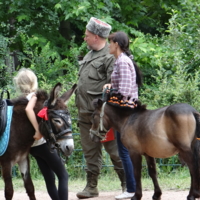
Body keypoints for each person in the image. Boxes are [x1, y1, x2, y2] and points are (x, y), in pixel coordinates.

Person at [75, 17, 126, 199]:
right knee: (89, 151)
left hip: (103, 116)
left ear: (96, 37)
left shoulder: (110, 56)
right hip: (84, 114)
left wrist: (107, 113)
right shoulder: (89, 56)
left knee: (115, 151)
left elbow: (113, 86)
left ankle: (126, 184)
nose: (84, 38)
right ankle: (91, 187)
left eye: (87, 35)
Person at [13, 68, 69, 200]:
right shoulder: (34, 97)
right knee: (63, 175)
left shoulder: (20, 100)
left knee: (49, 179)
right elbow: (29, 109)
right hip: (42, 144)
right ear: (33, 82)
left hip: (32, 147)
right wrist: (38, 130)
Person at [103, 31, 143, 199]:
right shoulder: (121, 61)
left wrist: (110, 90)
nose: (108, 45)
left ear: (117, 44)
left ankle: (131, 189)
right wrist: (111, 87)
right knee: (123, 151)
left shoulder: (123, 62)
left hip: (125, 113)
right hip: (124, 111)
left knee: (124, 152)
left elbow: (125, 91)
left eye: (110, 42)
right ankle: (131, 187)